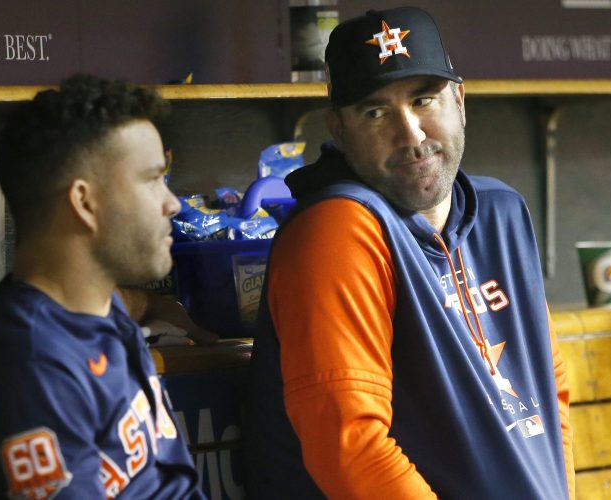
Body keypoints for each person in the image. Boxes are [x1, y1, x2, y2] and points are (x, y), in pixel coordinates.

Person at [246, 6, 574, 499]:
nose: (412, 134)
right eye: (376, 112)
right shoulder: (336, 230)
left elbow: (551, 402)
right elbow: (352, 447)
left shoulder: (501, 213)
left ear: (459, 100)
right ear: (337, 126)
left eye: (424, 100)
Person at [0, 75, 206, 499]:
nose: (172, 203)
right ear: (84, 202)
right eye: (152, 179)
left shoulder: (98, 308)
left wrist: (156, 305)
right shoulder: (27, 365)